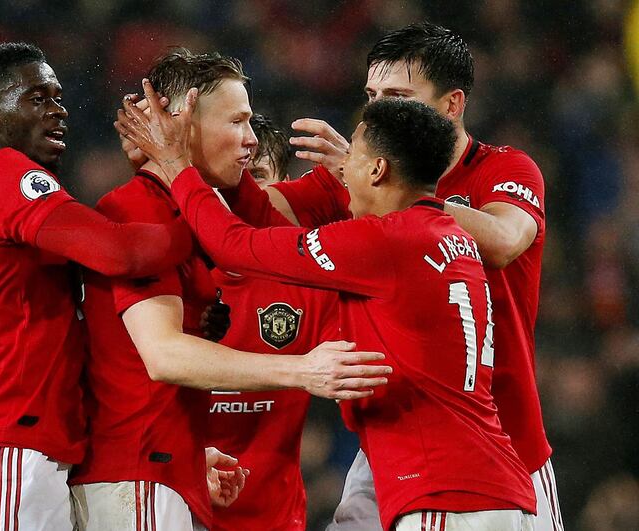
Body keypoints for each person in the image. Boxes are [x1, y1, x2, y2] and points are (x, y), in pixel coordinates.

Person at [119, 81, 537, 530]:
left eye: (350, 156)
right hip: (490, 488)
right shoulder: (448, 238)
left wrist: (177, 162)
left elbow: (233, 243)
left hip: (444, 496)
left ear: (376, 169)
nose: (340, 171)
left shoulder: (385, 242)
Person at [68, 50, 390, 531]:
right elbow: (164, 356)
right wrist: (302, 369)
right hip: (134, 483)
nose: (251, 139)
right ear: (181, 122)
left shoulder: (181, 213)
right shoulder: (139, 210)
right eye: (237, 121)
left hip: (164, 476)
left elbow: (272, 222)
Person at [272, 23, 561, 531]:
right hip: (394, 443)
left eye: (398, 95)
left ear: (452, 105)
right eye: (371, 96)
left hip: (506, 445)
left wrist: (386, 184)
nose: (379, 110)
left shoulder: (504, 168)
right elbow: (258, 219)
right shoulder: (355, 174)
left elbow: (502, 240)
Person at [0, 42, 197, 531]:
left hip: (27, 449)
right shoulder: (2, 173)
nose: (57, 111)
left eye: (58, 97)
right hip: (9, 448)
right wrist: (203, 219)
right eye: (36, 99)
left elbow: (98, 282)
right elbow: (120, 251)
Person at [206, 112, 341, 530]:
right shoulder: (167, 276)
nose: (243, 191)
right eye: (233, 175)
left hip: (275, 519)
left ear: (286, 188)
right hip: (174, 507)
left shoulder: (314, 283)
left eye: (258, 176)